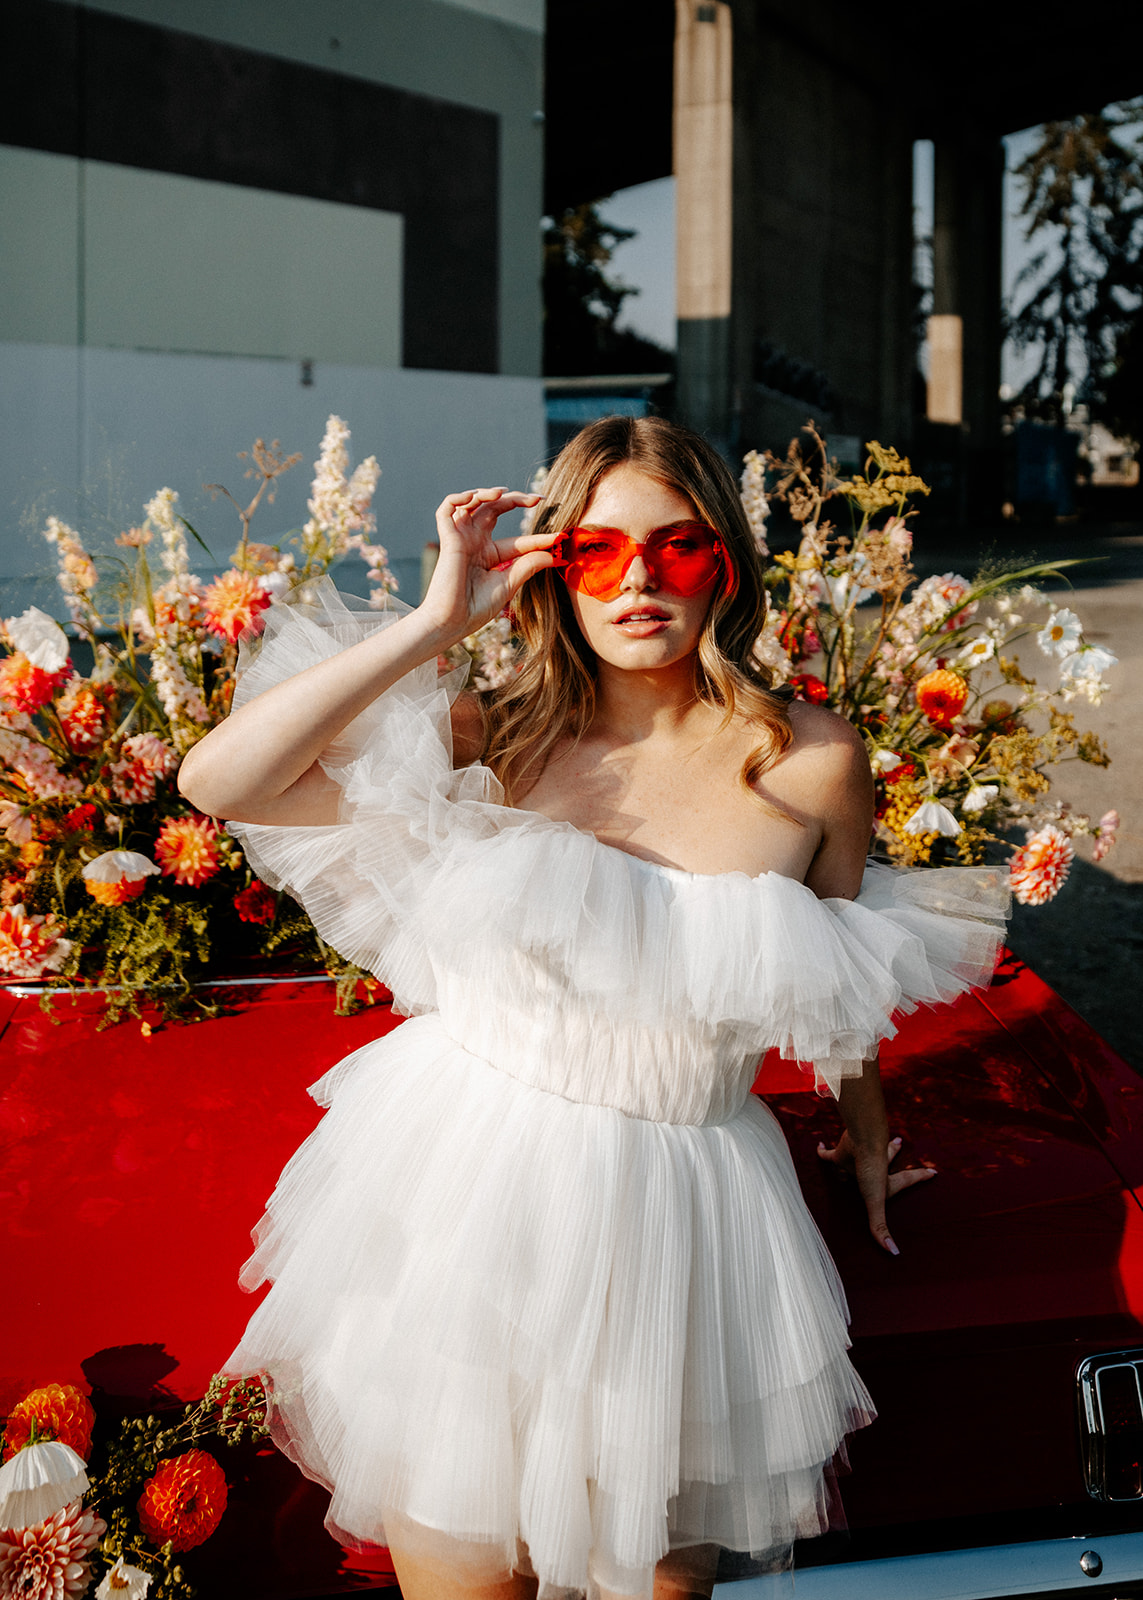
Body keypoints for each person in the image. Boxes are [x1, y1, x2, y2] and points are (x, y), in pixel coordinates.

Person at [178, 417, 1007, 1600]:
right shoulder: (491, 738)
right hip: (471, 1201)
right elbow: (221, 781)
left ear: (725, 556)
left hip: (691, 1222)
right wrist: (434, 626)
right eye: (598, 549)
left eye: (675, 545)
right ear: (550, 565)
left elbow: (838, 971)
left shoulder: (813, 759)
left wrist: (866, 1133)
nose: (637, 581)